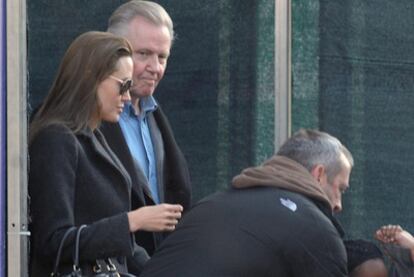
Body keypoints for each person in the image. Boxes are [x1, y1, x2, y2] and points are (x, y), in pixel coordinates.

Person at [28, 31, 183, 276]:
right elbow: (53, 242)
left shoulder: (94, 136)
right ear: (91, 79)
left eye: (130, 86)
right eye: (123, 85)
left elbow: (120, 248)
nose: (127, 96)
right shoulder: (56, 139)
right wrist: (133, 221)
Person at [139, 129, 353, 276]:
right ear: (318, 174)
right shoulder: (316, 230)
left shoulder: (213, 203)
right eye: (340, 189)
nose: (338, 204)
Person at [99, 0, 192, 263]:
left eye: (162, 57)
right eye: (143, 54)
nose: (155, 67)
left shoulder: (156, 118)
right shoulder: (84, 122)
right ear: (111, 51)